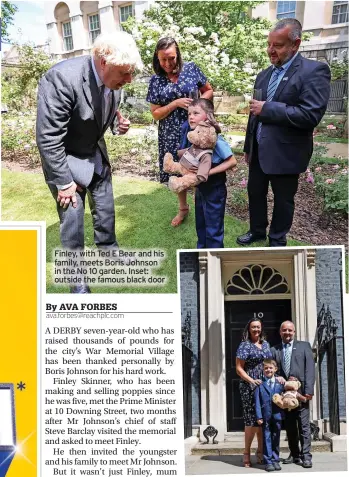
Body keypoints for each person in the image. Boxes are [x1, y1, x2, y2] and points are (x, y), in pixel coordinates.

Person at [36, 32, 143, 293]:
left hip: (95, 155)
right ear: (104, 61)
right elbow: (48, 138)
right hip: (66, 158)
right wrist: (63, 182)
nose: (129, 80)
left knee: (105, 207)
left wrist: (118, 126)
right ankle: (78, 282)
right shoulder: (62, 78)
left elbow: (96, 119)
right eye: (125, 73)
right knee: (72, 220)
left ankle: (109, 250)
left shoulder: (113, 83)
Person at [237, 18, 331, 247]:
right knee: (255, 193)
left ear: (295, 44)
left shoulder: (314, 71)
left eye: (277, 45)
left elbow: (310, 115)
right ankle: (257, 231)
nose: (270, 50)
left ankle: (277, 239)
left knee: (283, 200)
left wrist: (268, 108)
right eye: (269, 44)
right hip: (259, 150)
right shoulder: (264, 75)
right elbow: (254, 113)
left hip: (287, 153)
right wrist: (249, 147)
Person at [146, 37, 213, 227]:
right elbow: (156, 114)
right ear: (157, 59)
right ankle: (183, 208)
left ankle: (205, 207)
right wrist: (175, 103)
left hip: (197, 130)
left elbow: (208, 91)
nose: (167, 64)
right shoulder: (156, 80)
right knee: (180, 169)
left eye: (172, 58)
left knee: (202, 166)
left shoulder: (191, 69)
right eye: (163, 60)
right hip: (171, 133)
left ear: (178, 55)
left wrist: (198, 106)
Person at [179, 99, 237, 248]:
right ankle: (202, 254)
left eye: (196, 113)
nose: (191, 117)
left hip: (215, 189)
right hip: (201, 189)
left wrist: (208, 172)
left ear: (208, 116)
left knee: (213, 229)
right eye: (189, 114)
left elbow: (232, 162)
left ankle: (215, 260)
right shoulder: (198, 138)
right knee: (201, 224)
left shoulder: (215, 139)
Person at [270, 321, 315, 468]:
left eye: (290, 330)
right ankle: (295, 455)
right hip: (284, 395)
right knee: (289, 426)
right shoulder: (274, 349)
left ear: (294, 332)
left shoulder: (304, 346)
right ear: (280, 332)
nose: (287, 333)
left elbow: (310, 370)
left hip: (301, 393)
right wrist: (277, 376)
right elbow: (271, 370)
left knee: (303, 425)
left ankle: (306, 456)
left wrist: (308, 391)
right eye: (284, 330)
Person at [236, 319, 272, 468]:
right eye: (253, 327)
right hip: (249, 387)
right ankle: (246, 452)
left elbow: (270, 365)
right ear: (249, 329)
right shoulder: (245, 345)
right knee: (251, 420)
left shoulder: (266, 345)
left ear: (261, 328)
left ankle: (261, 450)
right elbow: (239, 368)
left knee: (262, 419)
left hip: (264, 386)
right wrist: (251, 380)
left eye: (258, 327)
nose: (256, 329)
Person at [254, 359, 285, 472]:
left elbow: (285, 396)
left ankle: (276, 460)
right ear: (263, 370)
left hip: (277, 415)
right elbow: (257, 401)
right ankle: (268, 461)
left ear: (275, 369)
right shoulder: (260, 384)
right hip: (265, 416)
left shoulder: (280, 383)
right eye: (266, 368)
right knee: (266, 438)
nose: (268, 370)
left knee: (276, 437)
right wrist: (259, 416)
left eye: (271, 368)